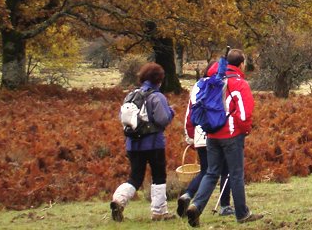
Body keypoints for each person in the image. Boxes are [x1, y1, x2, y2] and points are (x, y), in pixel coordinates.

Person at [184, 49, 264, 227]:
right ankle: (242, 213)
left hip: (211, 134)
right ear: (241, 64)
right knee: (235, 174)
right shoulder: (239, 84)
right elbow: (244, 113)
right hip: (231, 135)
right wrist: (244, 130)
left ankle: (197, 206)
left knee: (211, 173)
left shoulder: (213, 81)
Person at [110, 62, 176, 221]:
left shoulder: (131, 95)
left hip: (133, 144)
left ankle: (119, 200)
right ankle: (159, 212)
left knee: (135, 177)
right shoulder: (157, 97)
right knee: (159, 176)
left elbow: (124, 118)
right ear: (159, 79)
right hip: (153, 143)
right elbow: (162, 120)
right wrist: (171, 112)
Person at [177, 62, 233, 218]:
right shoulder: (224, 84)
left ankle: (187, 194)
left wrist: (190, 137)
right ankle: (225, 205)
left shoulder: (197, 86)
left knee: (206, 171)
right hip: (219, 132)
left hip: (200, 133)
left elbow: (190, 113)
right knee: (225, 169)